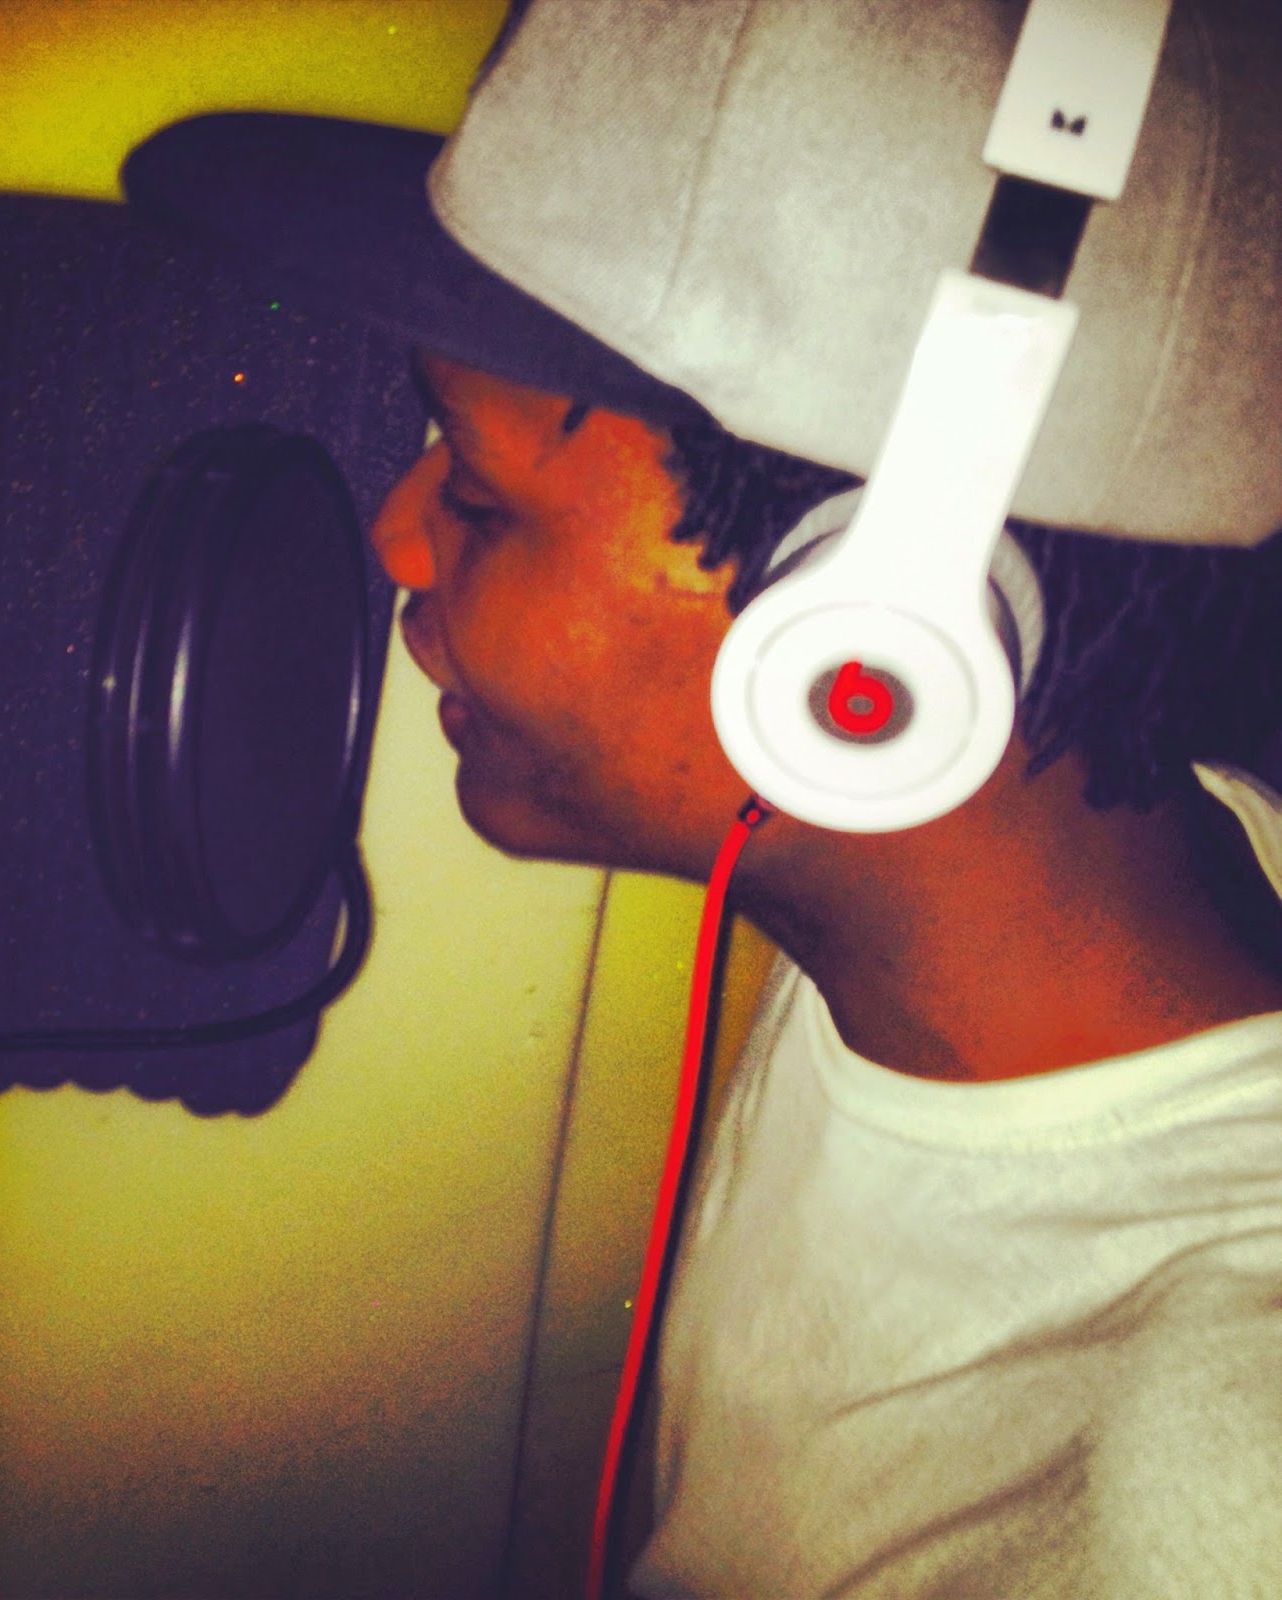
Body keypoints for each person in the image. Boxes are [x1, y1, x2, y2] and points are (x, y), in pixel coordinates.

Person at [126, 0, 1282, 1592]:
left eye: (477, 491)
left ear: (870, 654)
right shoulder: (1024, 927)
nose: (394, 539)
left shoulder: (1185, 1501)